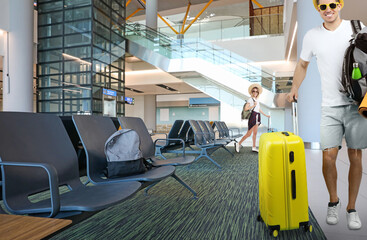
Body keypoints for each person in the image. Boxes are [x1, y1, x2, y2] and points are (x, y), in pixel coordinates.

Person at [287, 0, 367, 230]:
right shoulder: (311, 35)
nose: (328, 9)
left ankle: (352, 208)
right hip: (329, 107)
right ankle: (334, 201)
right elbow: (302, 65)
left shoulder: (357, 26)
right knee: (328, 156)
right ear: (318, 9)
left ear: (340, 5)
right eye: (323, 6)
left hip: (355, 104)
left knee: (355, 155)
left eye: (332, 4)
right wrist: (295, 88)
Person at [235, 83, 270, 153]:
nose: (255, 92)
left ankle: (254, 147)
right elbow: (246, 109)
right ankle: (238, 144)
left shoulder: (257, 100)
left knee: (255, 133)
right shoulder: (250, 99)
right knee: (249, 134)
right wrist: (253, 105)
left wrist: (266, 115)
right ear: (251, 92)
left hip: (257, 116)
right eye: (253, 91)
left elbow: (258, 109)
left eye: (256, 91)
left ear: (258, 92)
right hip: (253, 116)